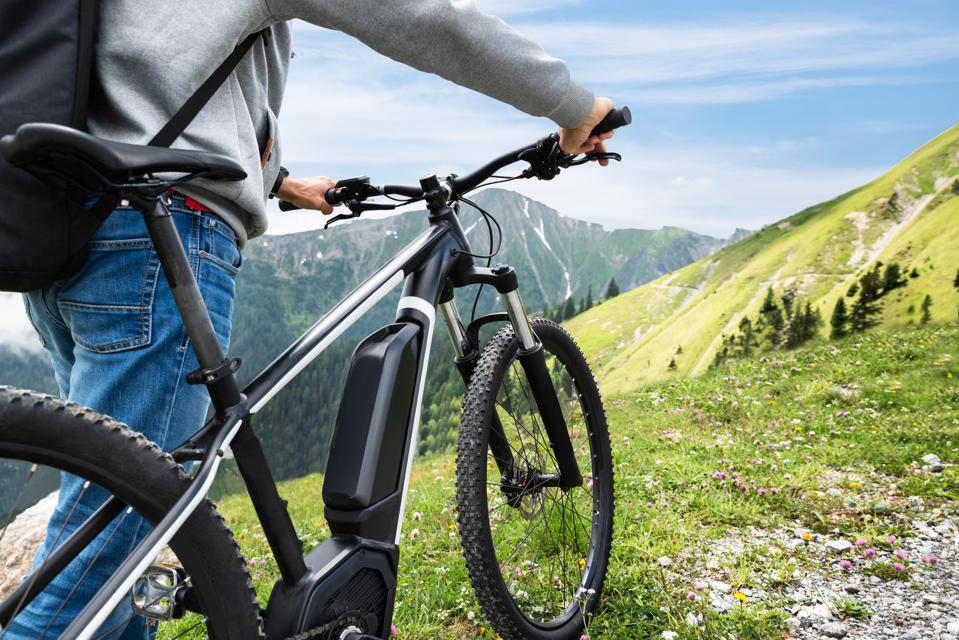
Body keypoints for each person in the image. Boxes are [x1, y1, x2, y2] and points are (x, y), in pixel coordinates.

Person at [11, 1, 617, 638]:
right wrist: (576, 108)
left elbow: (139, 71)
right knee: (101, 571)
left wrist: (282, 181)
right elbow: (420, 16)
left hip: (72, 232)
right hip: (159, 236)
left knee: (124, 535)